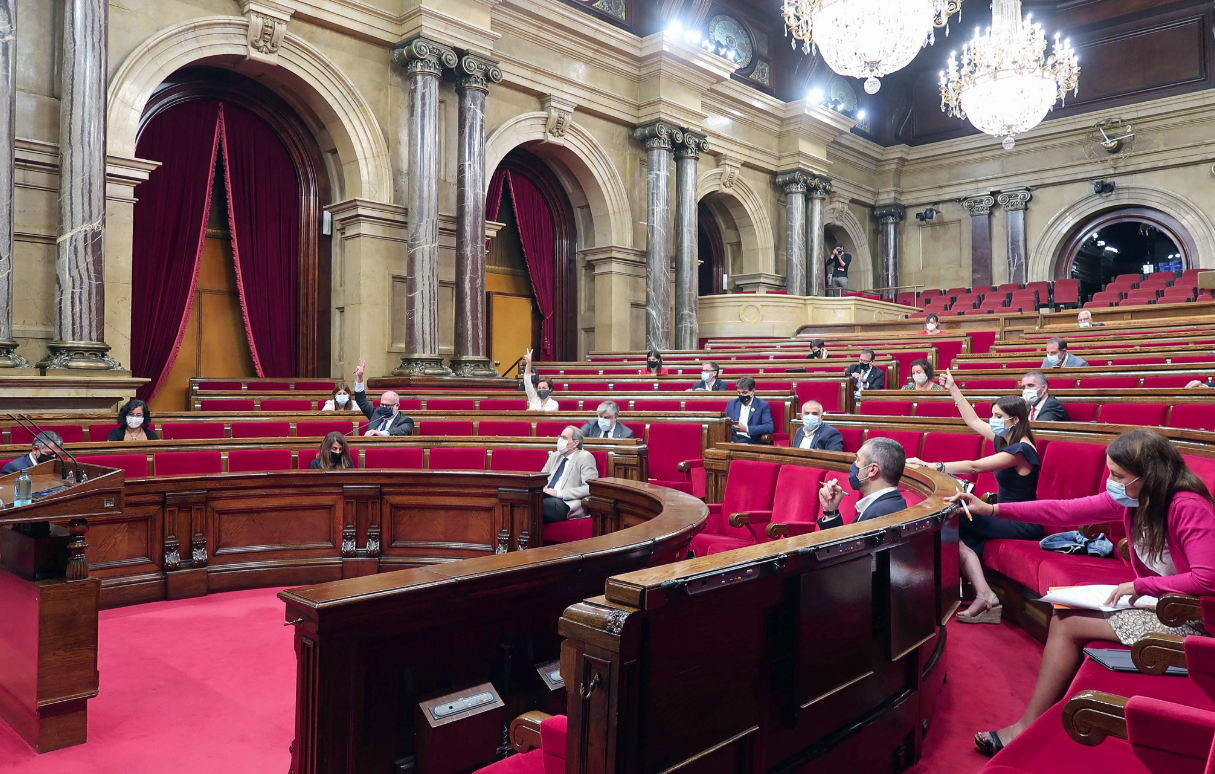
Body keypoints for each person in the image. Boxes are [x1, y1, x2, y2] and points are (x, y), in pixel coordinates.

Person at [950, 429, 1215, 756]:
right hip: (1160, 604)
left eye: (1119, 476)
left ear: (1151, 475)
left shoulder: (1187, 506)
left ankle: (1027, 727)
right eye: (1109, 473)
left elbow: (1207, 579)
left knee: (1067, 622)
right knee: (1064, 608)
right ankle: (1046, 718)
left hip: (1193, 619)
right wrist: (992, 510)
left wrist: (1141, 585)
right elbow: (1063, 511)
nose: (1111, 482)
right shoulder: (1135, 500)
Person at [907, 369, 1042, 625]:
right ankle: (984, 594)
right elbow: (972, 421)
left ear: (1014, 419)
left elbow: (974, 467)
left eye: (997, 416)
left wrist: (928, 465)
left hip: (1023, 522)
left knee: (950, 522)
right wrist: (953, 389)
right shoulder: (1005, 438)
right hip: (1003, 514)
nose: (992, 420)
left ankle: (982, 594)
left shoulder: (1022, 449)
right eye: (992, 415)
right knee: (952, 522)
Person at [817, 437, 908, 530]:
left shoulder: (877, 515)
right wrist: (831, 511)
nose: (853, 465)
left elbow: (844, 545)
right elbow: (845, 542)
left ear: (872, 470)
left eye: (857, 460)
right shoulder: (891, 503)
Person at [540, 426, 599, 523]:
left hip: (567, 502)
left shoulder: (585, 457)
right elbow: (541, 478)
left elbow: (589, 487)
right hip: (547, 496)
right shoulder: (555, 456)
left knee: (536, 505)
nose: (559, 440)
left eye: (564, 438)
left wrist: (559, 493)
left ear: (575, 443)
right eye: (560, 437)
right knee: (525, 501)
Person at [352, 359, 415, 436]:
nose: (384, 408)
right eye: (382, 405)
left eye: (387, 406)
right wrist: (359, 377)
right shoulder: (376, 413)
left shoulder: (405, 421)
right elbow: (361, 400)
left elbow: (401, 431)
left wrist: (380, 433)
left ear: (397, 406)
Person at [725, 376, 774, 444]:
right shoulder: (732, 403)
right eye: (739, 393)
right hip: (732, 436)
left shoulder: (763, 405)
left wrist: (746, 429)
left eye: (744, 393)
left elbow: (769, 427)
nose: (741, 395)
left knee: (738, 443)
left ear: (753, 391)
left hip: (750, 439)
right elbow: (725, 422)